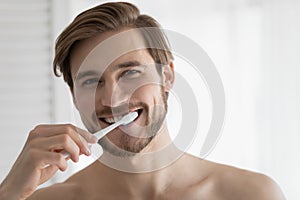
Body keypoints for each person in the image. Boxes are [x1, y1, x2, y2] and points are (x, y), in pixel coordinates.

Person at [0, 2, 285, 200]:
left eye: (130, 73)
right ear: (74, 97)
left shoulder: (252, 194)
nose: (113, 98)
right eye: (91, 81)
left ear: (168, 77)